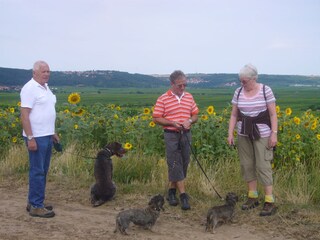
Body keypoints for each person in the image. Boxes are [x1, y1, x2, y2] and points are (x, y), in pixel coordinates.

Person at [227, 63, 278, 216]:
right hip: (243, 133)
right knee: (247, 164)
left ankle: (269, 201)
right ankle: (253, 197)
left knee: (263, 165)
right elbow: (234, 115)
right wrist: (230, 133)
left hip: (263, 134)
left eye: (245, 81)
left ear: (254, 78)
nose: (242, 84)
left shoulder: (265, 90)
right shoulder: (238, 92)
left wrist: (274, 133)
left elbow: (273, 115)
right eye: (241, 81)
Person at [153, 70, 199, 210]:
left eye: (185, 84)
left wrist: (189, 121)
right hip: (171, 134)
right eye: (180, 85)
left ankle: (171, 192)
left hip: (186, 133)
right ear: (172, 84)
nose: (183, 88)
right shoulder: (163, 98)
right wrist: (172, 123)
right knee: (174, 162)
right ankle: (183, 196)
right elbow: (156, 118)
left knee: (185, 161)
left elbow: (195, 114)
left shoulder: (189, 97)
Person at [20, 60, 59, 218]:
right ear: (34, 73)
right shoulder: (30, 88)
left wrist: (52, 132)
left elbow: (46, 112)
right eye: (43, 72)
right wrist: (30, 138)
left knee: (42, 170)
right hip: (36, 137)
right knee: (37, 171)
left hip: (46, 135)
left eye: (48, 71)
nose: (47, 74)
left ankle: (34, 202)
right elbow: (24, 115)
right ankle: (36, 206)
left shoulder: (46, 88)